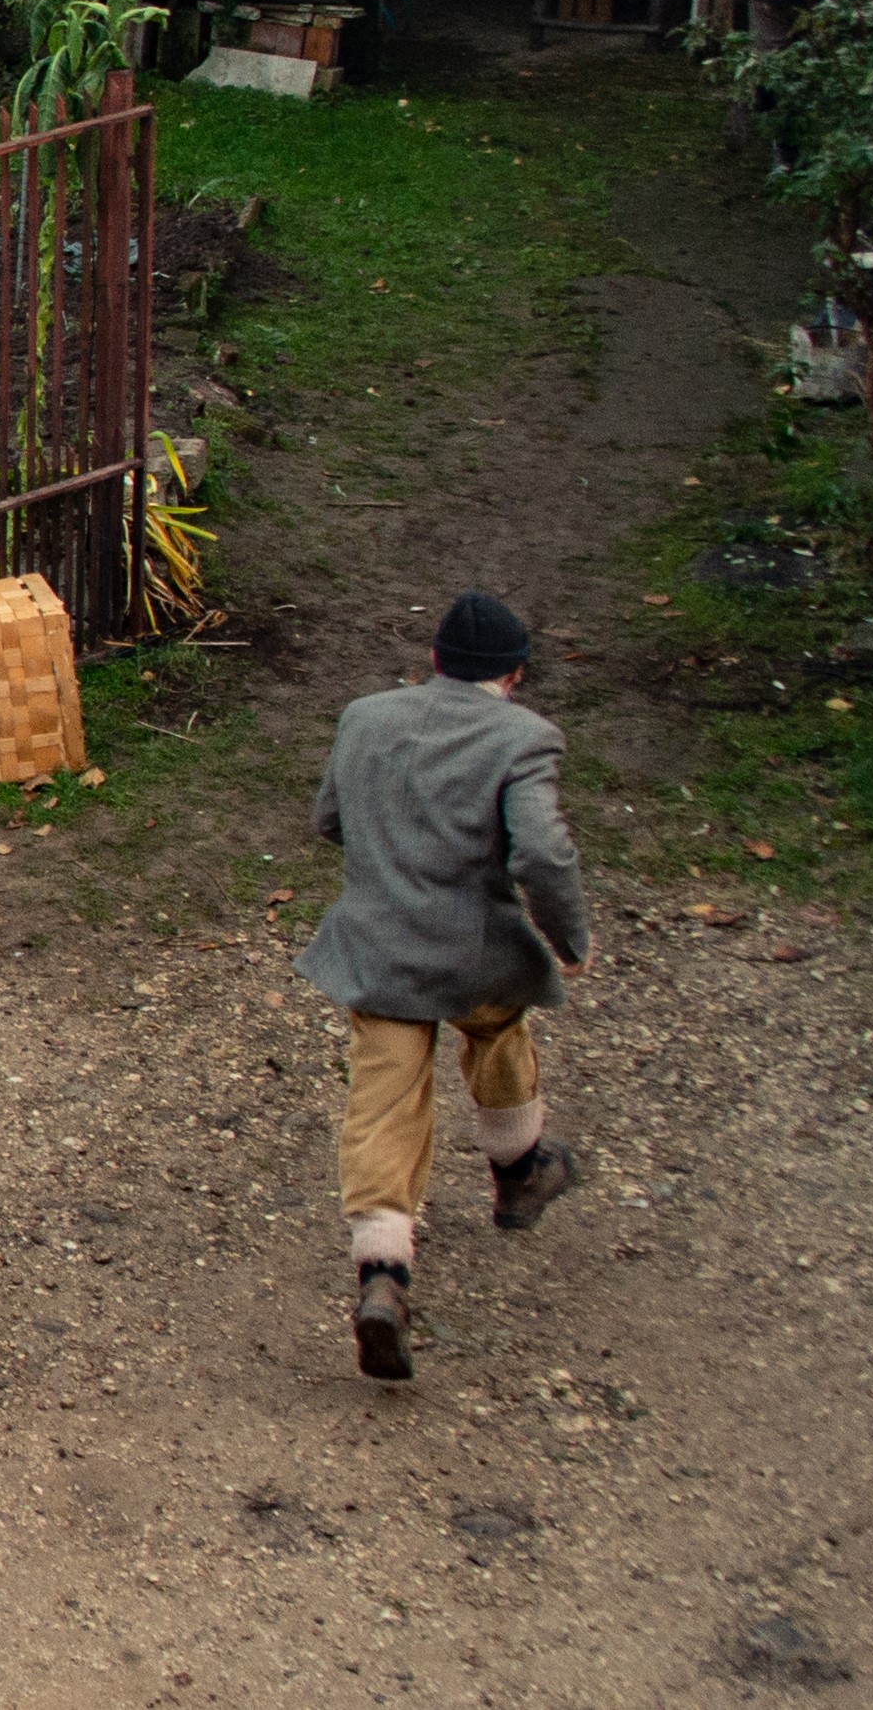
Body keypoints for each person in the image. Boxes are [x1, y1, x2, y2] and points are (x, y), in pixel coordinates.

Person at [296, 591, 590, 1382]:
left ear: (433, 661)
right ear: (514, 674)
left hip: (382, 950)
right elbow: (542, 855)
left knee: (385, 1096)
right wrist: (568, 938)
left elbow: (330, 821)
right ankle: (518, 1169)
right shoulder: (524, 738)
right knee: (498, 1027)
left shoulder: (365, 717)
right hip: (474, 953)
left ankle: (383, 1277)